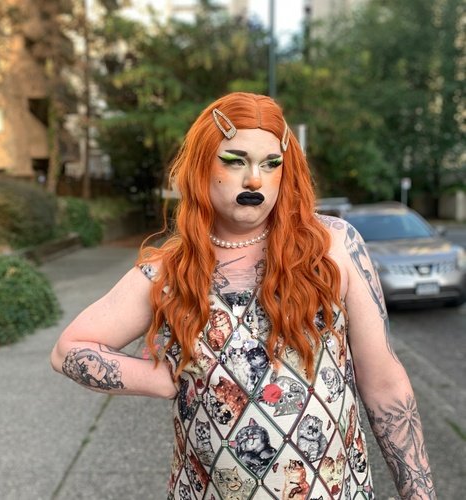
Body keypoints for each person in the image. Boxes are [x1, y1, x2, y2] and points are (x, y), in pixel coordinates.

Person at [51, 92, 436, 499]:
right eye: (235, 161)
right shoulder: (170, 271)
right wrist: (158, 379)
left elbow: (384, 382)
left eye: (271, 164)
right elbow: (67, 350)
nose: (254, 179)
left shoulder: (332, 246)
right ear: (202, 166)